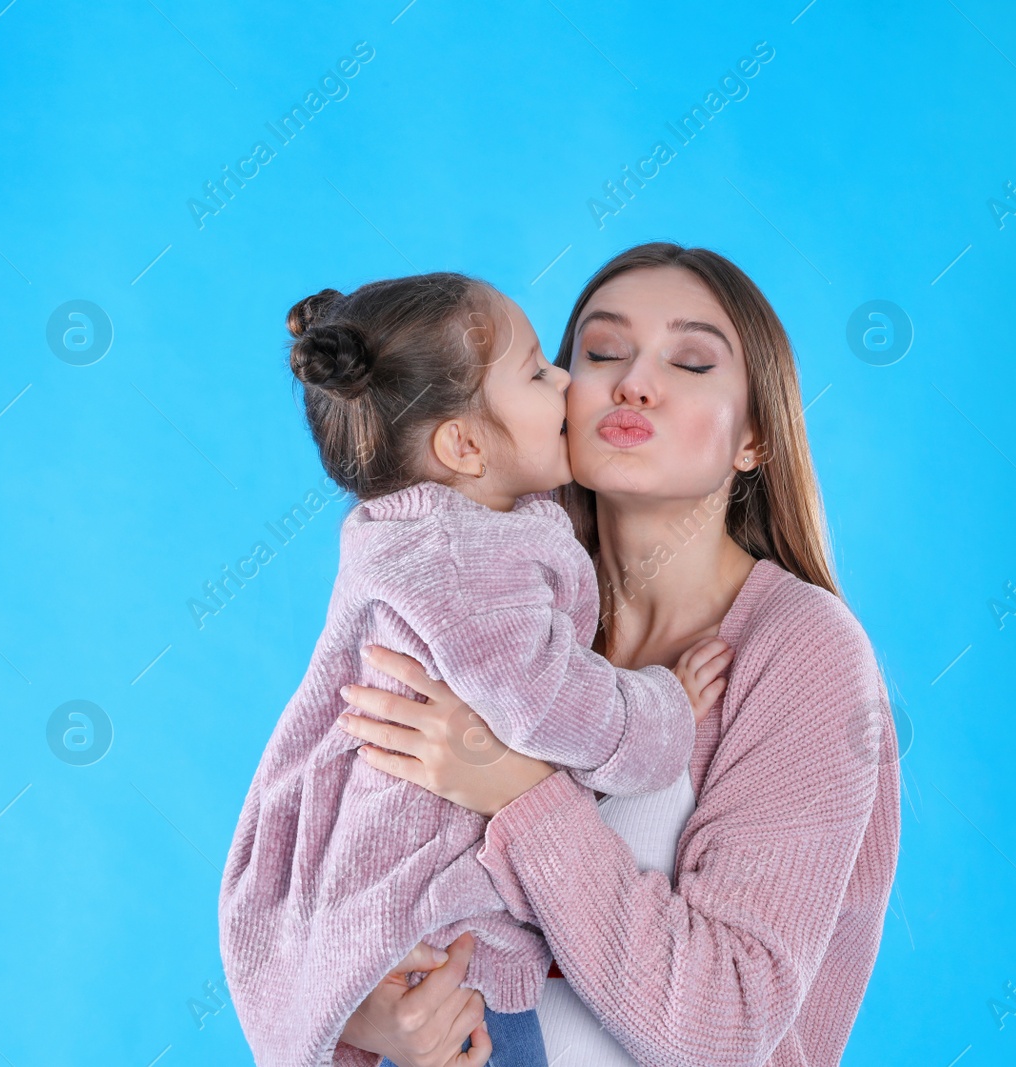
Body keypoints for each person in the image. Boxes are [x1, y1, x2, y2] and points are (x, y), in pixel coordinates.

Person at [335, 244, 901, 1066]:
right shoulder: (480, 614)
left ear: (754, 438)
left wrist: (515, 787)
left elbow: (722, 1023)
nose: (635, 381)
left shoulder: (805, 654)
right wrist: (364, 1018)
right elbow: (327, 879)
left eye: (693, 360)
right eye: (601, 352)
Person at [219, 272, 734, 1067]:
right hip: (451, 960)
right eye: (538, 371)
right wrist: (668, 706)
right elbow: (554, 706)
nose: (566, 379)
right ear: (463, 446)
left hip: (418, 951)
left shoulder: (434, 542)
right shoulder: (464, 558)